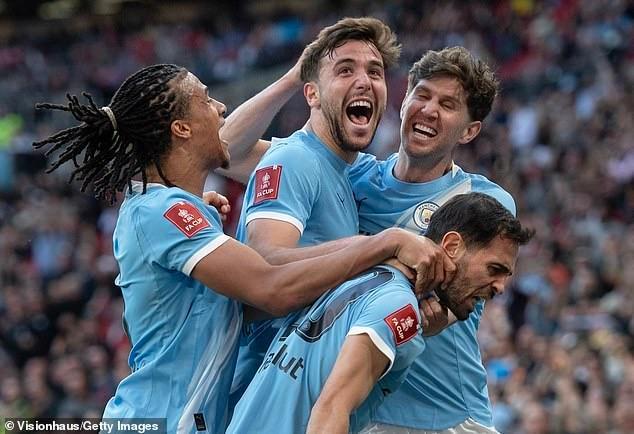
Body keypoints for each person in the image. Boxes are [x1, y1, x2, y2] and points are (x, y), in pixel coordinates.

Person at [33, 64, 456, 433]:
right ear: (181, 128)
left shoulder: (168, 209)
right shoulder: (161, 212)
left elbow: (249, 304)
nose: (220, 108)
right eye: (205, 100)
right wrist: (384, 243)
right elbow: (271, 288)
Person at [223, 45, 515, 433]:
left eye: (447, 105)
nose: (429, 110)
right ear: (404, 100)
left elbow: (459, 300)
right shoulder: (353, 173)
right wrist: (298, 75)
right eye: (423, 95)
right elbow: (227, 151)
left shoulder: (480, 201)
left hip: (444, 415)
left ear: (469, 130)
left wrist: (433, 315)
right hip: (358, 410)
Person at [227, 17, 456, 407]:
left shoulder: (347, 171)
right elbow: (263, 265)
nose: (364, 81)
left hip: (304, 392)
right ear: (313, 94)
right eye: (345, 70)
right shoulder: (295, 158)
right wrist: (382, 248)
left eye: (375, 72)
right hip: (262, 395)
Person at [226, 193, 534, 434]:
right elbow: (331, 411)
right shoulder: (398, 308)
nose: (501, 287)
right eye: (494, 269)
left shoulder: (363, 277)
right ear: (452, 246)